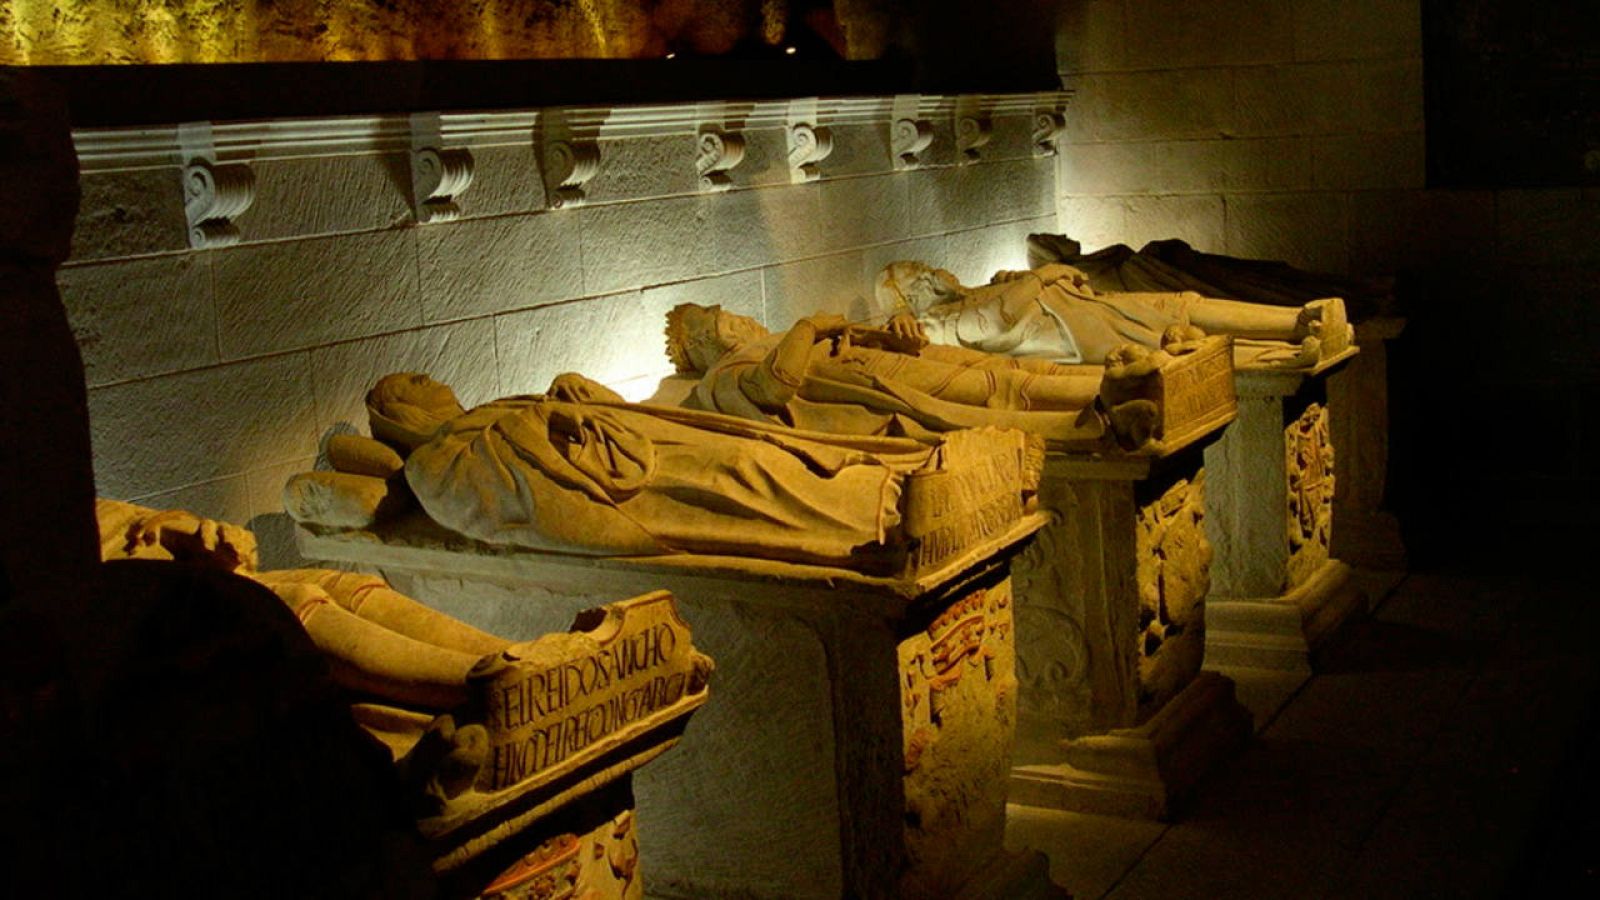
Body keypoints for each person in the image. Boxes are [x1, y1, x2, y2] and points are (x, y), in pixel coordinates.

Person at [347, 372, 1036, 573]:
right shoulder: (441, 461)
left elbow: (603, 412)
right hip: (637, 491)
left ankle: (910, 477)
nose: (427, 382)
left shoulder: (496, 405)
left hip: (646, 442)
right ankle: (883, 508)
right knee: (743, 478)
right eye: (406, 390)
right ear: (400, 423)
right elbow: (521, 515)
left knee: (759, 454)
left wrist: (576, 399)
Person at [664, 302, 1138, 445]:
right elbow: (774, 386)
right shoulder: (726, 371)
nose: (740, 319)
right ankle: (1102, 406)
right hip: (872, 384)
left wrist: (899, 337)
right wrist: (807, 327)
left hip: (890, 360)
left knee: (1001, 368)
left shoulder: (772, 338)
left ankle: (1117, 382)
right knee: (997, 390)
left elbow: (871, 337)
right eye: (723, 322)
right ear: (707, 347)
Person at [875, 260, 1352, 368]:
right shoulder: (943, 322)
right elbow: (999, 319)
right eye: (923, 276)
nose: (936, 272)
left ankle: (1297, 318)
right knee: (1176, 337)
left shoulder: (976, 290)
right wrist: (1044, 275)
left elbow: (1006, 297)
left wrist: (1032, 277)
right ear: (917, 295)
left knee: (1183, 305)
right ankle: (1285, 350)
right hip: (1076, 336)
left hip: (1087, 310)